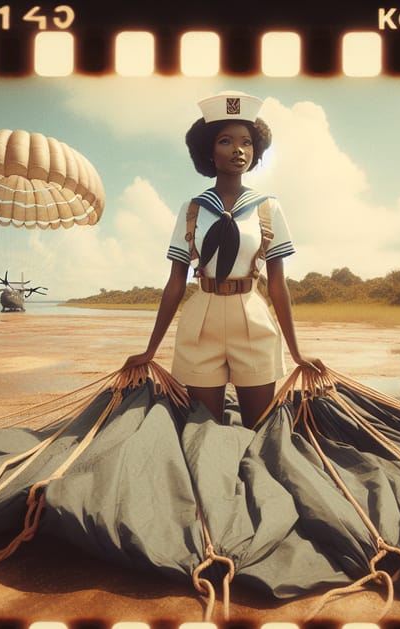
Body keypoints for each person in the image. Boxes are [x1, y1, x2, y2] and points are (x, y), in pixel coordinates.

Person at [124, 91, 322, 428]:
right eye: (226, 141)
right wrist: (150, 350)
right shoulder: (192, 210)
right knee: (203, 432)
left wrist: (297, 352)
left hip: (252, 316)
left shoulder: (268, 208)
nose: (239, 150)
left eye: (246, 142)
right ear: (209, 152)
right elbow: (175, 283)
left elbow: (277, 284)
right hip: (201, 320)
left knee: (259, 430)